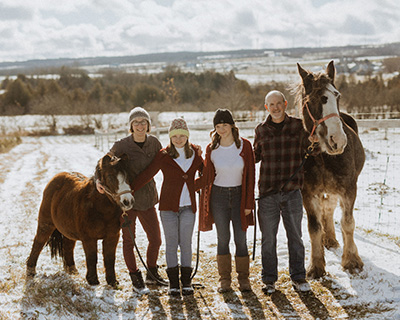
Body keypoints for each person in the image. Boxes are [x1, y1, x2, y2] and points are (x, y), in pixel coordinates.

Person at [131, 118, 203, 296]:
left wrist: (194, 186)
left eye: (182, 136)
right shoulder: (164, 155)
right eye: (175, 136)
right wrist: (129, 189)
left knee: (186, 244)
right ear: (170, 137)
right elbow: (147, 174)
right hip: (168, 209)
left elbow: (209, 174)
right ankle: (173, 283)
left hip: (188, 207)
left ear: (187, 136)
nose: (178, 139)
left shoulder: (194, 153)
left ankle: (186, 282)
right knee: (171, 244)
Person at [253, 90, 311, 294]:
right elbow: (254, 157)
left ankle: (298, 277)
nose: (276, 107)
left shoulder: (298, 126)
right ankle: (269, 279)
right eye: (271, 104)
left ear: (285, 104)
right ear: (266, 107)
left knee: (295, 236)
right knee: (268, 238)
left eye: (279, 103)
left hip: (292, 191)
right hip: (268, 194)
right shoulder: (260, 130)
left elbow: (312, 149)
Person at [108, 106, 165, 294]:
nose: (140, 125)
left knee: (155, 239)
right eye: (136, 122)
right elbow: (105, 165)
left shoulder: (155, 143)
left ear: (148, 125)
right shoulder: (121, 145)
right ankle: (135, 276)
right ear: (131, 126)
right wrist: (99, 183)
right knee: (128, 241)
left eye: (143, 122)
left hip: (147, 199)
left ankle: (152, 271)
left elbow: (165, 164)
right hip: (127, 202)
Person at [199, 109, 255, 292]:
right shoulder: (211, 149)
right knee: (223, 238)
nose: (221, 129)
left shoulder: (244, 146)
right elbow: (207, 176)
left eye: (224, 125)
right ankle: (224, 279)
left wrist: (248, 204)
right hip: (219, 197)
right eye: (218, 126)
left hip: (239, 196)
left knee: (241, 238)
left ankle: (244, 278)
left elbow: (251, 177)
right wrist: (185, 185)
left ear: (232, 125)